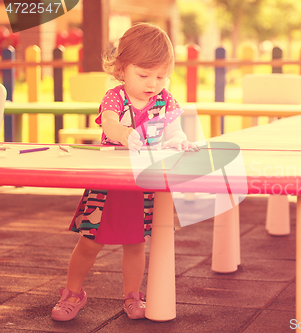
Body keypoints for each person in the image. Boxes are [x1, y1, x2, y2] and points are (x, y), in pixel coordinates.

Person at [51, 23, 198, 321]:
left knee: (135, 244)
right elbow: (110, 124)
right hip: (109, 184)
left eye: (160, 76)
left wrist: (178, 140)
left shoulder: (165, 100)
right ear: (121, 68)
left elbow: (174, 129)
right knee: (90, 242)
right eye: (143, 75)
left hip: (142, 184)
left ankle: (133, 295)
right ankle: (73, 293)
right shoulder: (115, 97)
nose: (152, 83)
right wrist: (125, 134)